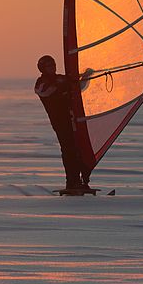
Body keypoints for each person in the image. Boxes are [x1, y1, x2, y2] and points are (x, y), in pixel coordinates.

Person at [34, 55, 90, 190]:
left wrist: (87, 76)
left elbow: (79, 86)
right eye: (49, 66)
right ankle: (71, 181)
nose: (52, 67)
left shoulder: (62, 78)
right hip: (60, 122)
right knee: (68, 150)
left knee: (79, 148)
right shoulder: (41, 82)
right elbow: (44, 91)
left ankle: (83, 180)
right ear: (42, 68)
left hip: (73, 120)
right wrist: (60, 84)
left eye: (53, 64)